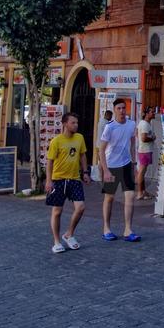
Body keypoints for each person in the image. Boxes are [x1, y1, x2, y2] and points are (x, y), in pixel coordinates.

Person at [45, 112, 90, 254]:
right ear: (65, 124)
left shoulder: (80, 138)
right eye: (73, 123)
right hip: (58, 180)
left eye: (76, 122)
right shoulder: (56, 141)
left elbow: (82, 155)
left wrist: (85, 172)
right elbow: (49, 162)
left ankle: (69, 233)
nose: (76, 125)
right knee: (57, 211)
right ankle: (57, 241)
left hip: (74, 179)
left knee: (81, 207)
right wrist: (48, 180)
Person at [99, 98, 140, 242]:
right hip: (111, 166)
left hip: (127, 165)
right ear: (114, 110)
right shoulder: (109, 127)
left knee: (130, 196)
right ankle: (106, 229)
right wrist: (106, 171)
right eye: (119, 108)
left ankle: (128, 230)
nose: (122, 111)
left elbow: (133, 145)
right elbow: (101, 150)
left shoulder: (131, 124)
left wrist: (134, 165)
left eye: (124, 108)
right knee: (109, 197)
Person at [136, 105, 156, 200]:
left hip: (145, 150)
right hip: (145, 150)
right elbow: (143, 138)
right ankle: (140, 192)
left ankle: (143, 191)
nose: (154, 113)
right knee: (141, 172)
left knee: (142, 172)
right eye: (152, 112)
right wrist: (152, 138)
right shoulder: (144, 124)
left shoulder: (145, 124)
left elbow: (137, 134)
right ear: (147, 114)